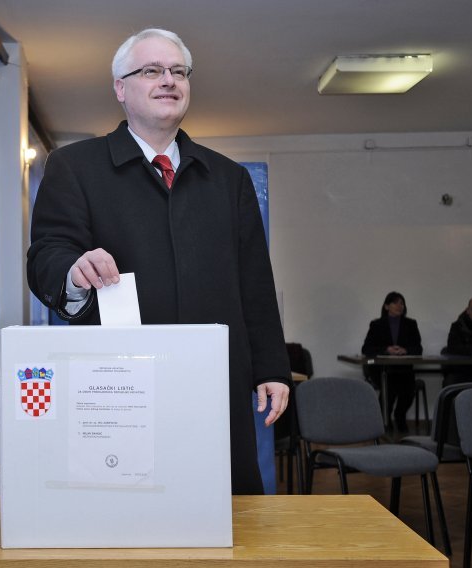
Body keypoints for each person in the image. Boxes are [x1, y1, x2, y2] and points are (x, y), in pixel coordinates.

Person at [26, 28, 291, 495]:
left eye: (178, 71)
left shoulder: (229, 179)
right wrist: (74, 270)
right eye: (151, 70)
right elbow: (47, 254)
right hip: (118, 389)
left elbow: (254, 283)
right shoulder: (74, 166)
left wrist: (271, 366)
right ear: (120, 89)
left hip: (213, 386)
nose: (168, 80)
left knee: (223, 517)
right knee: (123, 518)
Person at [361, 291, 422, 432]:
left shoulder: (411, 324)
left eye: (402, 303)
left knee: (408, 388)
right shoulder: (376, 324)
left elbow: (418, 349)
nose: (399, 306)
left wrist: (405, 350)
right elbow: (366, 348)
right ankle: (385, 420)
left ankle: (399, 415)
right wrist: (386, 350)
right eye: (395, 302)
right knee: (390, 384)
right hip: (381, 369)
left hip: (403, 369)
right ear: (386, 306)